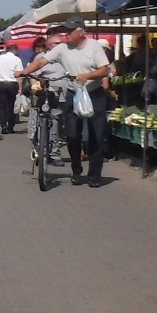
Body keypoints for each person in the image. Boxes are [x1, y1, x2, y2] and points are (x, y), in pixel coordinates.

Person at [19, 16, 110, 188]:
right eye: (65, 31)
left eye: (70, 31)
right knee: (72, 134)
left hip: (94, 94)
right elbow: (41, 61)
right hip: (73, 94)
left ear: (81, 32)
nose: (66, 34)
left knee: (96, 136)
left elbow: (105, 69)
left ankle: (94, 175)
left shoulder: (94, 47)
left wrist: (88, 76)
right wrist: (24, 72)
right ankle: (76, 169)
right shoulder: (62, 48)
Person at [26, 34, 69, 166]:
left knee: (61, 125)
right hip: (48, 95)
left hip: (66, 95)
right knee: (51, 120)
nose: (61, 45)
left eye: (62, 43)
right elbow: (33, 74)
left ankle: (53, 147)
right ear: (50, 46)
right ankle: (51, 152)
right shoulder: (42, 58)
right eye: (57, 43)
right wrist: (35, 85)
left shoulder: (67, 57)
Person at [0, 42, 24, 134]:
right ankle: (10, 126)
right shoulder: (17, 60)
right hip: (12, 83)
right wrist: (20, 87)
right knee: (10, 106)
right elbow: (20, 75)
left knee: (2, 106)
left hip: (2, 83)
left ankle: (3, 125)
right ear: (14, 50)